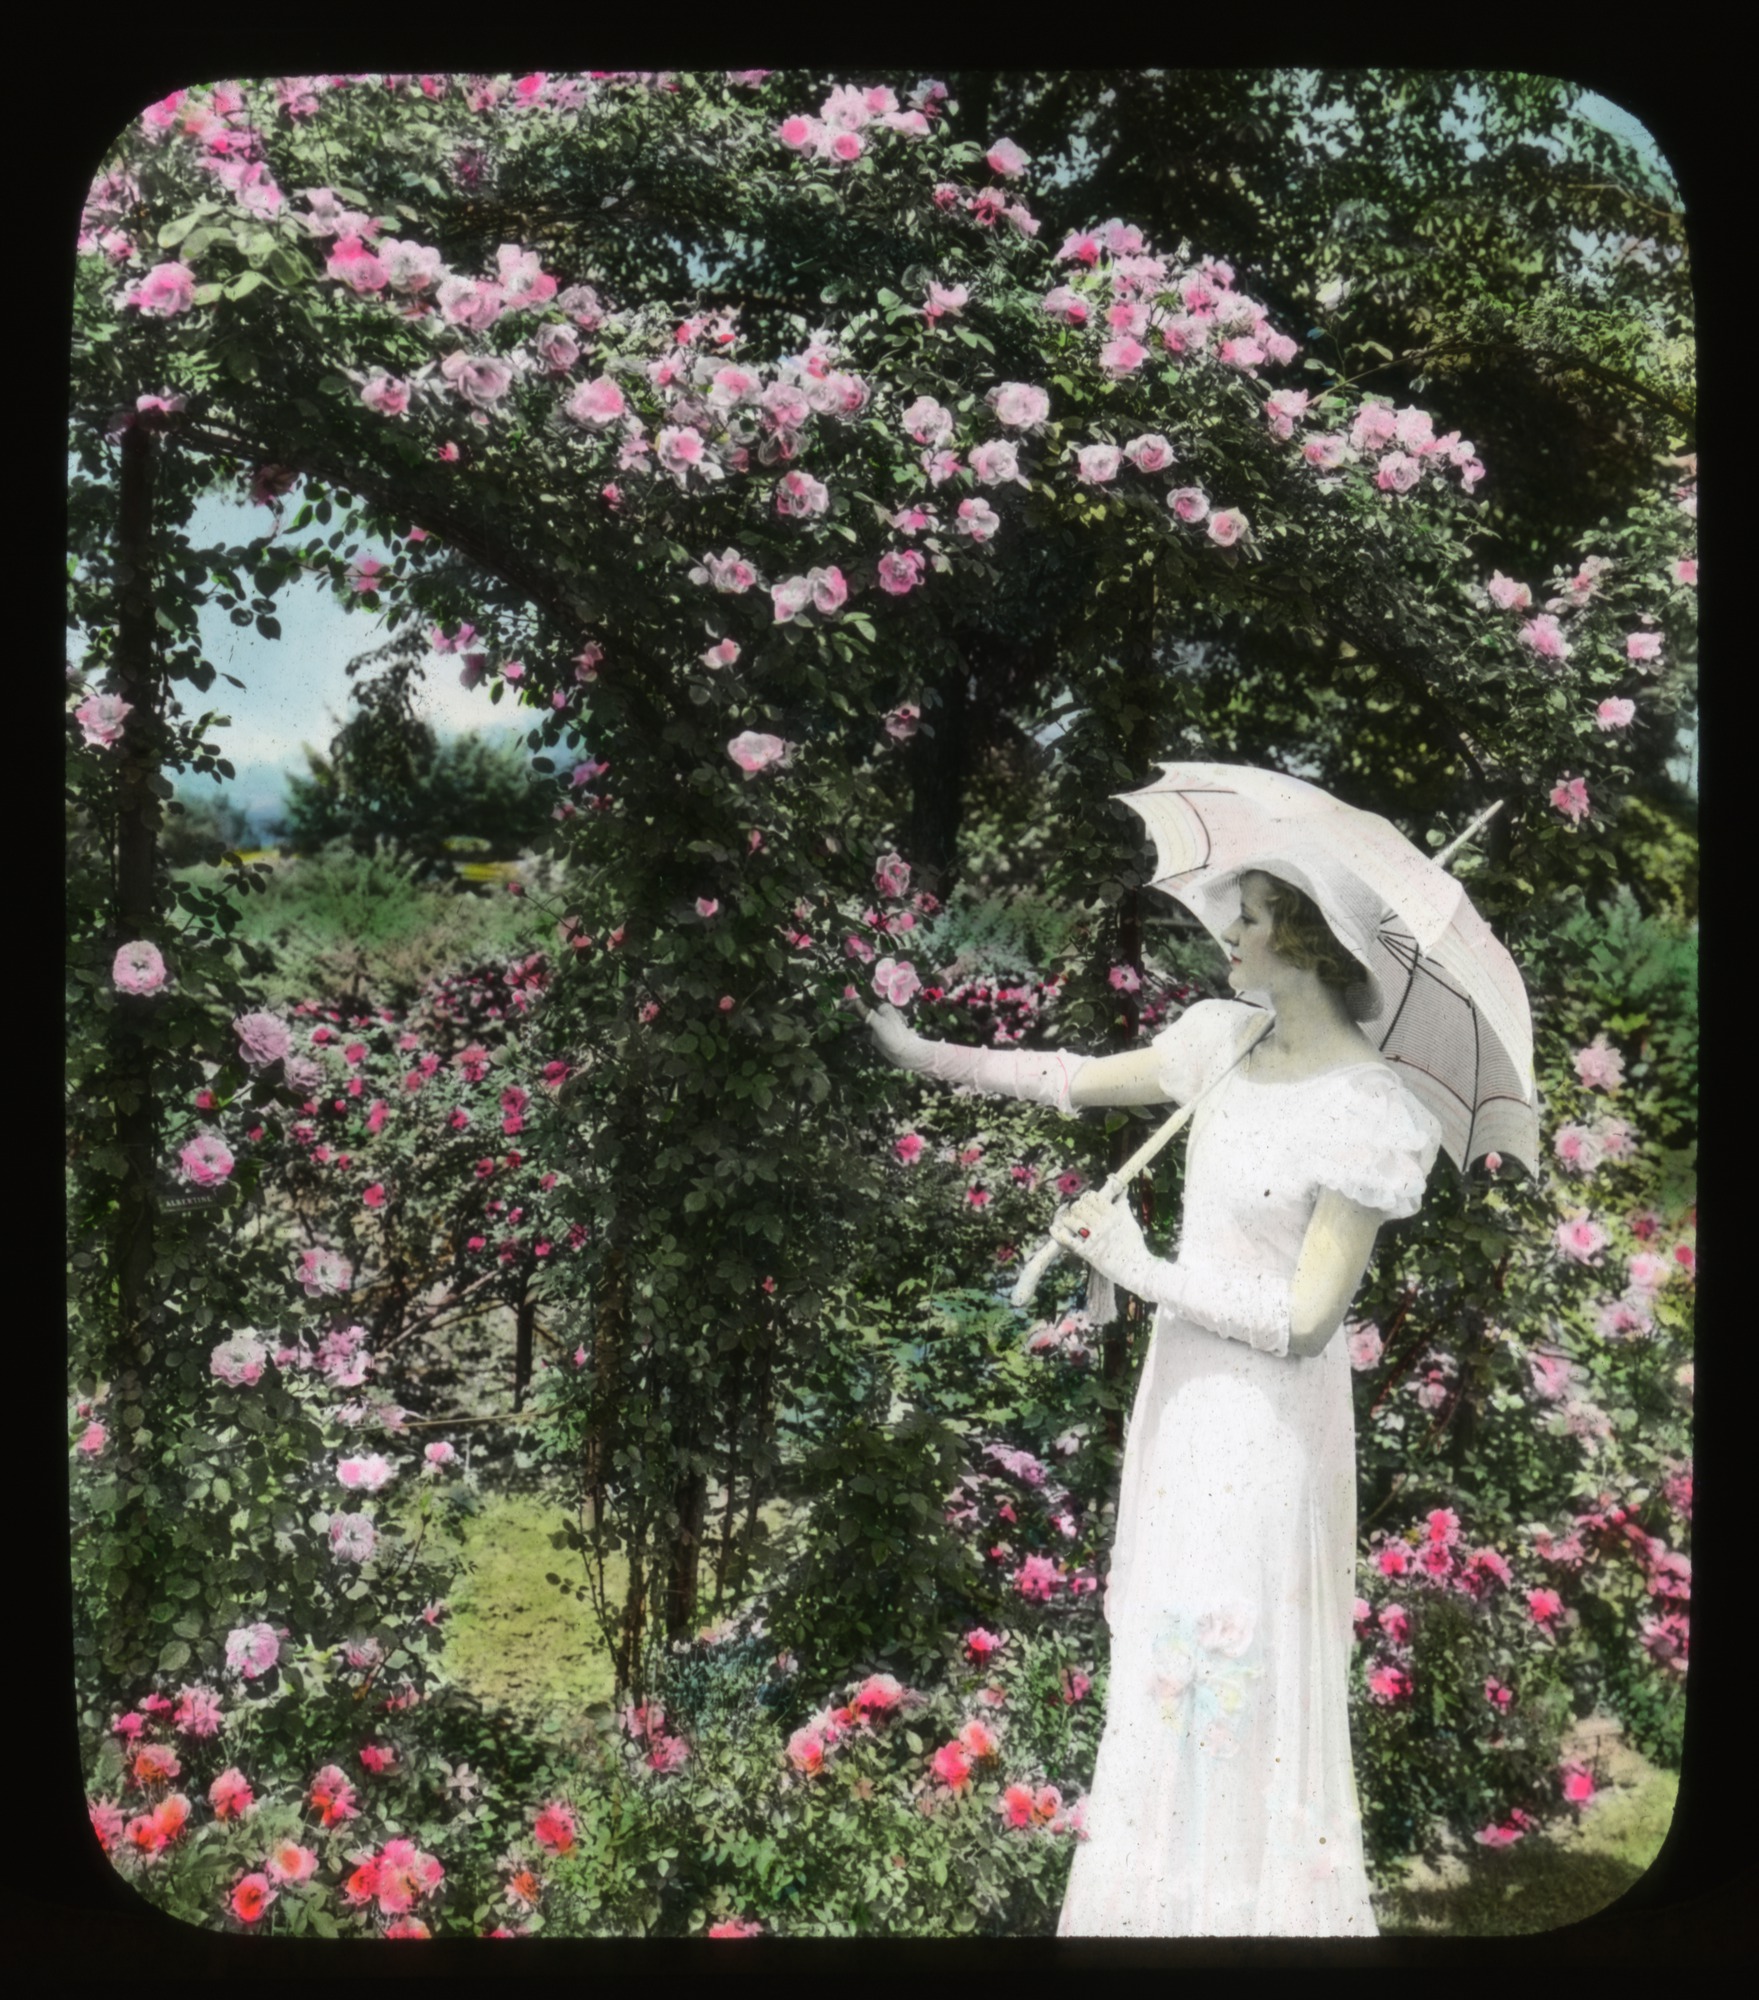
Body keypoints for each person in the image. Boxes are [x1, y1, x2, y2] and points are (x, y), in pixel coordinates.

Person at [862, 864, 1443, 1936]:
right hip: (1184, 1404)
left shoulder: (1368, 1109)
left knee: (1238, 1655)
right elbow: (1066, 1075)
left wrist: (1139, 1265)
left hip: (1270, 1426)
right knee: (1170, 1646)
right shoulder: (1217, 1042)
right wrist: (913, 1050)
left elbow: (1307, 1317)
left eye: (1254, 916)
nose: (1231, 930)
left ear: (1308, 940)